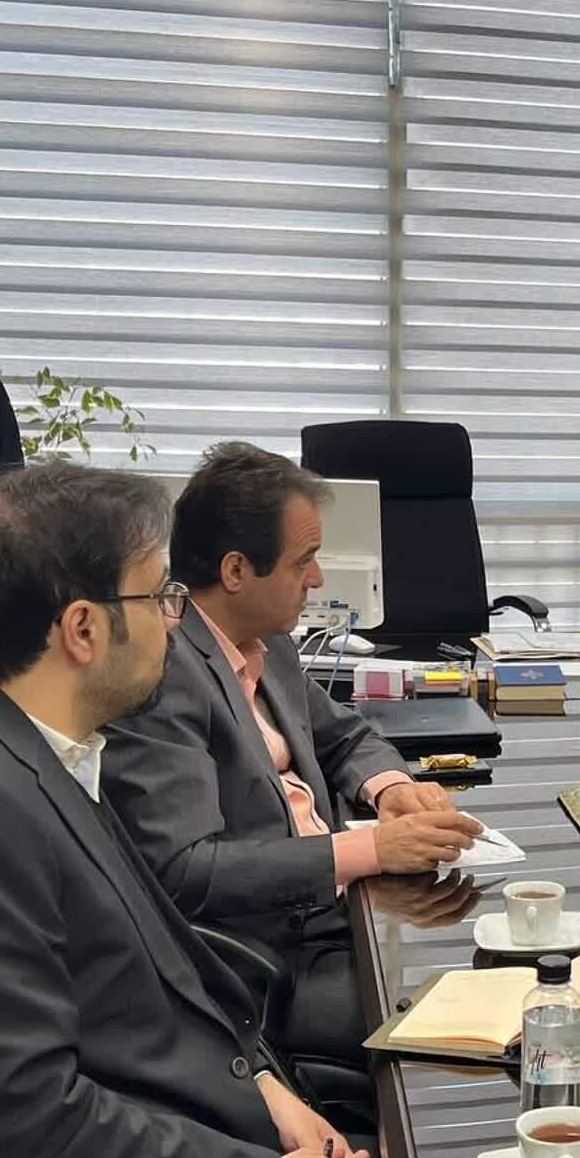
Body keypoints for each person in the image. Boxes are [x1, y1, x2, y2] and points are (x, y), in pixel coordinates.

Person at [0, 464, 388, 1158]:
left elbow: (152, 980)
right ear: (83, 629)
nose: (174, 623)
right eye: (158, 597)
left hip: (205, 1123)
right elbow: (31, 1131)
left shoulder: (33, 749)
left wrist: (266, 1092)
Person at [102, 441, 483, 1070]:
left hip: (340, 913)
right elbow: (186, 871)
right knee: (464, 1033)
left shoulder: (267, 641)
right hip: (269, 960)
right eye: (303, 561)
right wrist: (371, 850)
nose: (318, 579)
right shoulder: (163, 677)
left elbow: (342, 735)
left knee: (501, 979)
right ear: (235, 571)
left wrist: (391, 788)